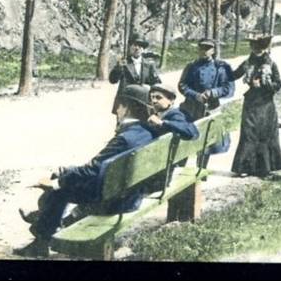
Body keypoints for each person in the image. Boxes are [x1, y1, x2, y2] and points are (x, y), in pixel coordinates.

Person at [13, 84, 195, 257]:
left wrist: (56, 182)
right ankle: (43, 219)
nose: (116, 110)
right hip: (132, 190)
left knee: (59, 190)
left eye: (119, 106)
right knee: (65, 175)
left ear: (125, 108)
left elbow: (93, 169)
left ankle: (40, 242)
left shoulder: (125, 137)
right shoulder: (148, 131)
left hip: (115, 198)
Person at [231, 35, 281, 178]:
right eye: (254, 47)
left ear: (265, 48)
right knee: (248, 134)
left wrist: (264, 84)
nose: (256, 50)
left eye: (259, 48)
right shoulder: (247, 63)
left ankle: (265, 169)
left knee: (265, 135)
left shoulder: (271, 65)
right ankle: (245, 168)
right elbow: (234, 75)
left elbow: (278, 85)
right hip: (250, 104)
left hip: (266, 105)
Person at [178, 38, 235, 156]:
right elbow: (182, 85)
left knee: (208, 143)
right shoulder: (191, 66)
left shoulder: (221, 67)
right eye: (202, 48)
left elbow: (228, 89)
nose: (204, 51)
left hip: (211, 108)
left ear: (213, 51)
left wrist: (212, 93)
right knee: (186, 142)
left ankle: (201, 169)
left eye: (208, 48)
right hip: (191, 108)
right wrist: (195, 95)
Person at [108, 34, 160, 116]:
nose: (137, 48)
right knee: (124, 127)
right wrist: (118, 68)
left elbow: (157, 84)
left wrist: (150, 87)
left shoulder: (149, 65)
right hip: (125, 102)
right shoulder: (123, 63)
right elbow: (113, 80)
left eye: (140, 46)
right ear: (130, 47)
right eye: (135, 45)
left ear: (143, 49)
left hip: (144, 102)